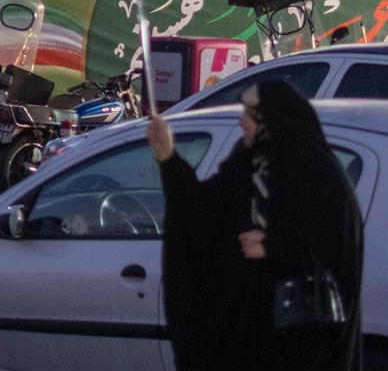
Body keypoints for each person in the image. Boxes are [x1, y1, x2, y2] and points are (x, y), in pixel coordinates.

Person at [148, 80, 363, 371]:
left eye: (248, 115)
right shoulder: (247, 163)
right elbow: (204, 211)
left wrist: (272, 247)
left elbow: (333, 251)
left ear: (268, 123)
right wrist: (169, 158)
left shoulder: (319, 175)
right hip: (251, 327)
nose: (241, 122)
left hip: (304, 338)